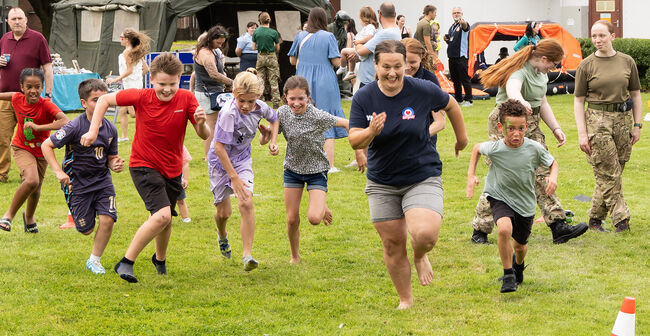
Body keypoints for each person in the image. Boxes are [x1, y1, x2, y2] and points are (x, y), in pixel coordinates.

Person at [349, 40, 468, 309]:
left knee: (425, 234)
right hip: (382, 181)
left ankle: (420, 254)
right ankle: (406, 299)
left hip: (421, 174)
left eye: (398, 67)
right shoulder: (364, 97)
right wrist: (370, 132)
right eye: (386, 67)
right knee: (392, 243)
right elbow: (355, 140)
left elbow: (451, 106)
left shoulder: (422, 89)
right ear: (375, 66)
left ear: (406, 66)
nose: (392, 73)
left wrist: (462, 139)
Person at [80, 53, 210, 283]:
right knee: (161, 216)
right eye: (161, 84)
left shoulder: (187, 99)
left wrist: (200, 123)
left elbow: (203, 135)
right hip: (143, 164)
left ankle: (160, 259)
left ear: (180, 78)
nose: (167, 89)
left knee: (166, 218)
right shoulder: (141, 96)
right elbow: (103, 100)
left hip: (172, 168)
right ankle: (126, 262)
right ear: (151, 79)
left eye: (172, 84)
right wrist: (92, 130)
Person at [471, 39, 587, 244]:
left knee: (543, 170)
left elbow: (542, 102)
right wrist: (521, 101)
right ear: (543, 59)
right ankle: (480, 229)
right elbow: (513, 88)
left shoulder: (541, 74)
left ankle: (558, 224)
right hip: (507, 121)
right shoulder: (519, 71)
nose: (554, 68)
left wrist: (556, 128)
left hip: (529, 122)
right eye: (553, 63)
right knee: (503, 176)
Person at [466, 99, 558, 293]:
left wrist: (553, 178)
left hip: (524, 202)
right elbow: (476, 149)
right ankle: (508, 275)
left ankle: (518, 267)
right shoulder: (496, 147)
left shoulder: (534, 148)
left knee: (520, 247)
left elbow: (553, 163)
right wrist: (471, 176)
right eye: (511, 129)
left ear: (526, 127)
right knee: (503, 230)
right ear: (501, 127)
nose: (516, 134)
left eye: (521, 128)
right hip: (499, 195)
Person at [41, 79, 123, 274]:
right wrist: (58, 172)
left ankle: (94, 260)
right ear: (83, 103)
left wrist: (115, 164)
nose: (102, 103)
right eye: (96, 99)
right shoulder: (75, 127)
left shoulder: (111, 128)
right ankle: (88, 211)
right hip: (77, 184)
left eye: (105, 98)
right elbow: (46, 145)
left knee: (108, 219)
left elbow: (110, 158)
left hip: (103, 181)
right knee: (85, 229)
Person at [278, 76, 362, 264]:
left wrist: (359, 151)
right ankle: (295, 256)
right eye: (292, 99)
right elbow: (269, 134)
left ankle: (320, 205)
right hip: (292, 169)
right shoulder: (282, 113)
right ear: (285, 97)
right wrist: (267, 137)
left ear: (308, 97)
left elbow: (348, 123)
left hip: (317, 170)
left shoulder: (318, 116)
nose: (297, 103)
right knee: (292, 219)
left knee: (314, 219)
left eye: (301, 98)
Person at [574, 20, 642, 233]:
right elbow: (578, 101)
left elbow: (636, 95)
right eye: (594, 36)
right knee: (609, 172)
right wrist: (582, 133)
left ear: (613, 36)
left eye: (602, 35)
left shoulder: (627, 61)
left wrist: (637, 124)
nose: (597, 40)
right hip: (597, 120)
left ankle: (595, 218)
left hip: (623, 120)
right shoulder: (586, 65)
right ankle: (622, 220)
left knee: (613, 170)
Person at [208, 70, 279, 271]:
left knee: (246, 202)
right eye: (241, 101)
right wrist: (234, 178)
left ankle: (247, 255)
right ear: (233, 94)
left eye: (250, 101)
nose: (246, 106)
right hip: (219, 163)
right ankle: (222, 234)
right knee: (224, 212)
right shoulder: (229, 113)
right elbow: (219, 148)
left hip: (242, 160)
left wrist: (272, 140)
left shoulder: (260, 107)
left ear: (257, 96)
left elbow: (274, 119)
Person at [289, 7, 365, 173]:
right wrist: (347, 54)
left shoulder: (300, 36)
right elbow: (337, 62)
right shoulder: (328, 36)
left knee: (304, 119)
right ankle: (329, 165)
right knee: (328, 119)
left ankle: (304, 162)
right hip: (325, 80)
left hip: (302, 80)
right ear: (324, 20)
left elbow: (292, 60)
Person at [0, 68, 68, 232]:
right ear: (21, 87)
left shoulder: (46, 105)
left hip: (42, 151)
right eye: (29, 87)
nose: (33, 91)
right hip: (22, 147)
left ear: (42, 86)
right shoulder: (17, 98)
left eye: (37, 86)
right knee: (31, 180)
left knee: (36, 190)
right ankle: (8, 216)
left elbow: (64, 121)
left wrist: (39, 127)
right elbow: (4, 95)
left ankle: (29, 219)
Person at [0, 7, 53, 183]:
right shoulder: (4, 39)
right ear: (7, 22)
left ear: (26, 20)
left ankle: (28, 173)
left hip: (29, 100)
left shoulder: (38, 38)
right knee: (1, 137)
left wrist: (49, 93)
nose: (16, 22)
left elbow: (47, 67)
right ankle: (1, 174)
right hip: (6, 97)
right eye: (13, 19)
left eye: (20, 18)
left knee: (30, 136)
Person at [194, 25, 234, 159]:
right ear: (210, 39)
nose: (220, 45)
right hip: (206, 94)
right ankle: (208, 157)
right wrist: (232, 83)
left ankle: (215, 153)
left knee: (217, 124)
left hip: (216, 92)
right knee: (210, 126)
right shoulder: (205, 53)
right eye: (218, 42)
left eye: (222, 43)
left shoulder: (214, 50)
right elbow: (214, 74)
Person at [106, 28, 151, 143]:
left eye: (121, 37)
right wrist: (137, 77)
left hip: (131, 86)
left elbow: (129, 70)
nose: (120, 40)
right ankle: (124, 136)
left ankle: (151, 124)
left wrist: (115, 79)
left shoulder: (127, 53)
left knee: (133, 114)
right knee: (121, 110)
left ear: (127, 40)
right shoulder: (137, 51)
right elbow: (146, 69)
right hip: (134, 84)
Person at [401, 38, 444, 150]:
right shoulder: (391, 78)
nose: (407, 67)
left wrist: (420, 137)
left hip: (425, 137)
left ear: (421, 58)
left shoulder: (429, 80)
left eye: (413, 62)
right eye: (404, 62)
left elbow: (440, 121)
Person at [355, 2, 401, 88]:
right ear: (395, 14)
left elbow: (361, 51)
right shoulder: (394, 29)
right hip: (374, 80)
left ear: (380, 13)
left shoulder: (386, 33)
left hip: (370, 82)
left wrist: (357, 42)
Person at [336, 6, 378, 83]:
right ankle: (351, 72)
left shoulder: (370, 27)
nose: (360, 21)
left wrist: (359, 41)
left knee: (343, 51)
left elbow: (370, 36)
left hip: (361, 49)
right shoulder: (368, 27)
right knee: (351, 58)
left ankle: (343, 67)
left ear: (364, 18)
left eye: (360, 19)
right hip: (359, 49)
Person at [444, 7, 473, 107]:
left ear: (462, 14)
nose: (456, 14)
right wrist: (447, 40)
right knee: (455, 80)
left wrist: (462, 21)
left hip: (461, 56)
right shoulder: (452, 26)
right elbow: (452, 40)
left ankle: (469, 100)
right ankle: (458, 99)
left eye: (458, 13)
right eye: (454, 13)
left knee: (465, 79)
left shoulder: (463, 24)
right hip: (452, 56)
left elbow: (465, 26)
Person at [252, 12, 282, 109]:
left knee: (260, 80)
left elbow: (253, 47)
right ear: (269, 20)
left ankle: (260, 101)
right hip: (271, 57)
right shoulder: (274, 32)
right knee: (273, 80)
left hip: (260, 56)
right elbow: (277, 48)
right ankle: (276, 103)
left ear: (260, 20)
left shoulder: (256, 32)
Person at [176, 145, 192, 223]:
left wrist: (185, 179)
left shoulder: (180, 146)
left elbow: (185, 163)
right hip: (162, 178)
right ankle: (154, 217)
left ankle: (185, 218)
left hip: (177, 178)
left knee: (180, 199)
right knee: (160, 201)